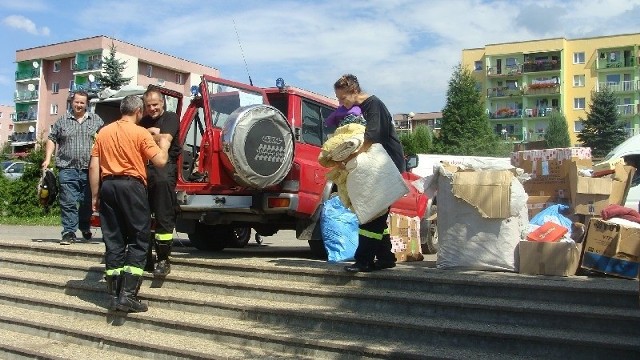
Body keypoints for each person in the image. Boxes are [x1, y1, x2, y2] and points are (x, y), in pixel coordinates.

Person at [89, 95, 170, 312]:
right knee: (138, 239)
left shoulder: (103, 132)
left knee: (113, 241)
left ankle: (114, 296)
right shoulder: (140, 133)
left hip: (108, 187)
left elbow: (94, 166)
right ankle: (128, 295)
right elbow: (160, 161)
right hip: (131, 186)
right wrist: (164, 143)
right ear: (138, 112)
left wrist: (95, 195)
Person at [332, 74, 406, 273]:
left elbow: (371, 138)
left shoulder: (374, 105)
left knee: (372, 212)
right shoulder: (359, 110)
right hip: (374, 167)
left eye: (343, 98)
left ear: (354, 92)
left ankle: (363, 260)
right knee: (377, 215)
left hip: (385, 166)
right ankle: (385, 257)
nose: (341, 103)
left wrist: (347, 158)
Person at [43, 90, 104, 245]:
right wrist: (47, 158)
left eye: (82, 102)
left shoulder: (96, 120)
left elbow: (105, 139)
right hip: (67, 168)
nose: (79, 105)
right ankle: (69, 232)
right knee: (68, 201)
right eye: (76, 102)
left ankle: (84, 226)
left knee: (86, 201)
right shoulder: (62, 121)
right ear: (72, 102)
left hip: (89, 169)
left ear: (86, 104)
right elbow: (51, 139)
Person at [138, 89, 180, 276]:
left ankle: (163, 259)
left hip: (164, 169)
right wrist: (153, 133)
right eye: (148, 106)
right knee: (142, 217)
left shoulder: (171, 118)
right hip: (144, 169)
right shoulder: (142, 121)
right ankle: (146, 258)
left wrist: (148, 135)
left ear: (162, 103)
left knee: (164, 216)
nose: (152, 108)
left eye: (155, 105)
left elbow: (166, 141)